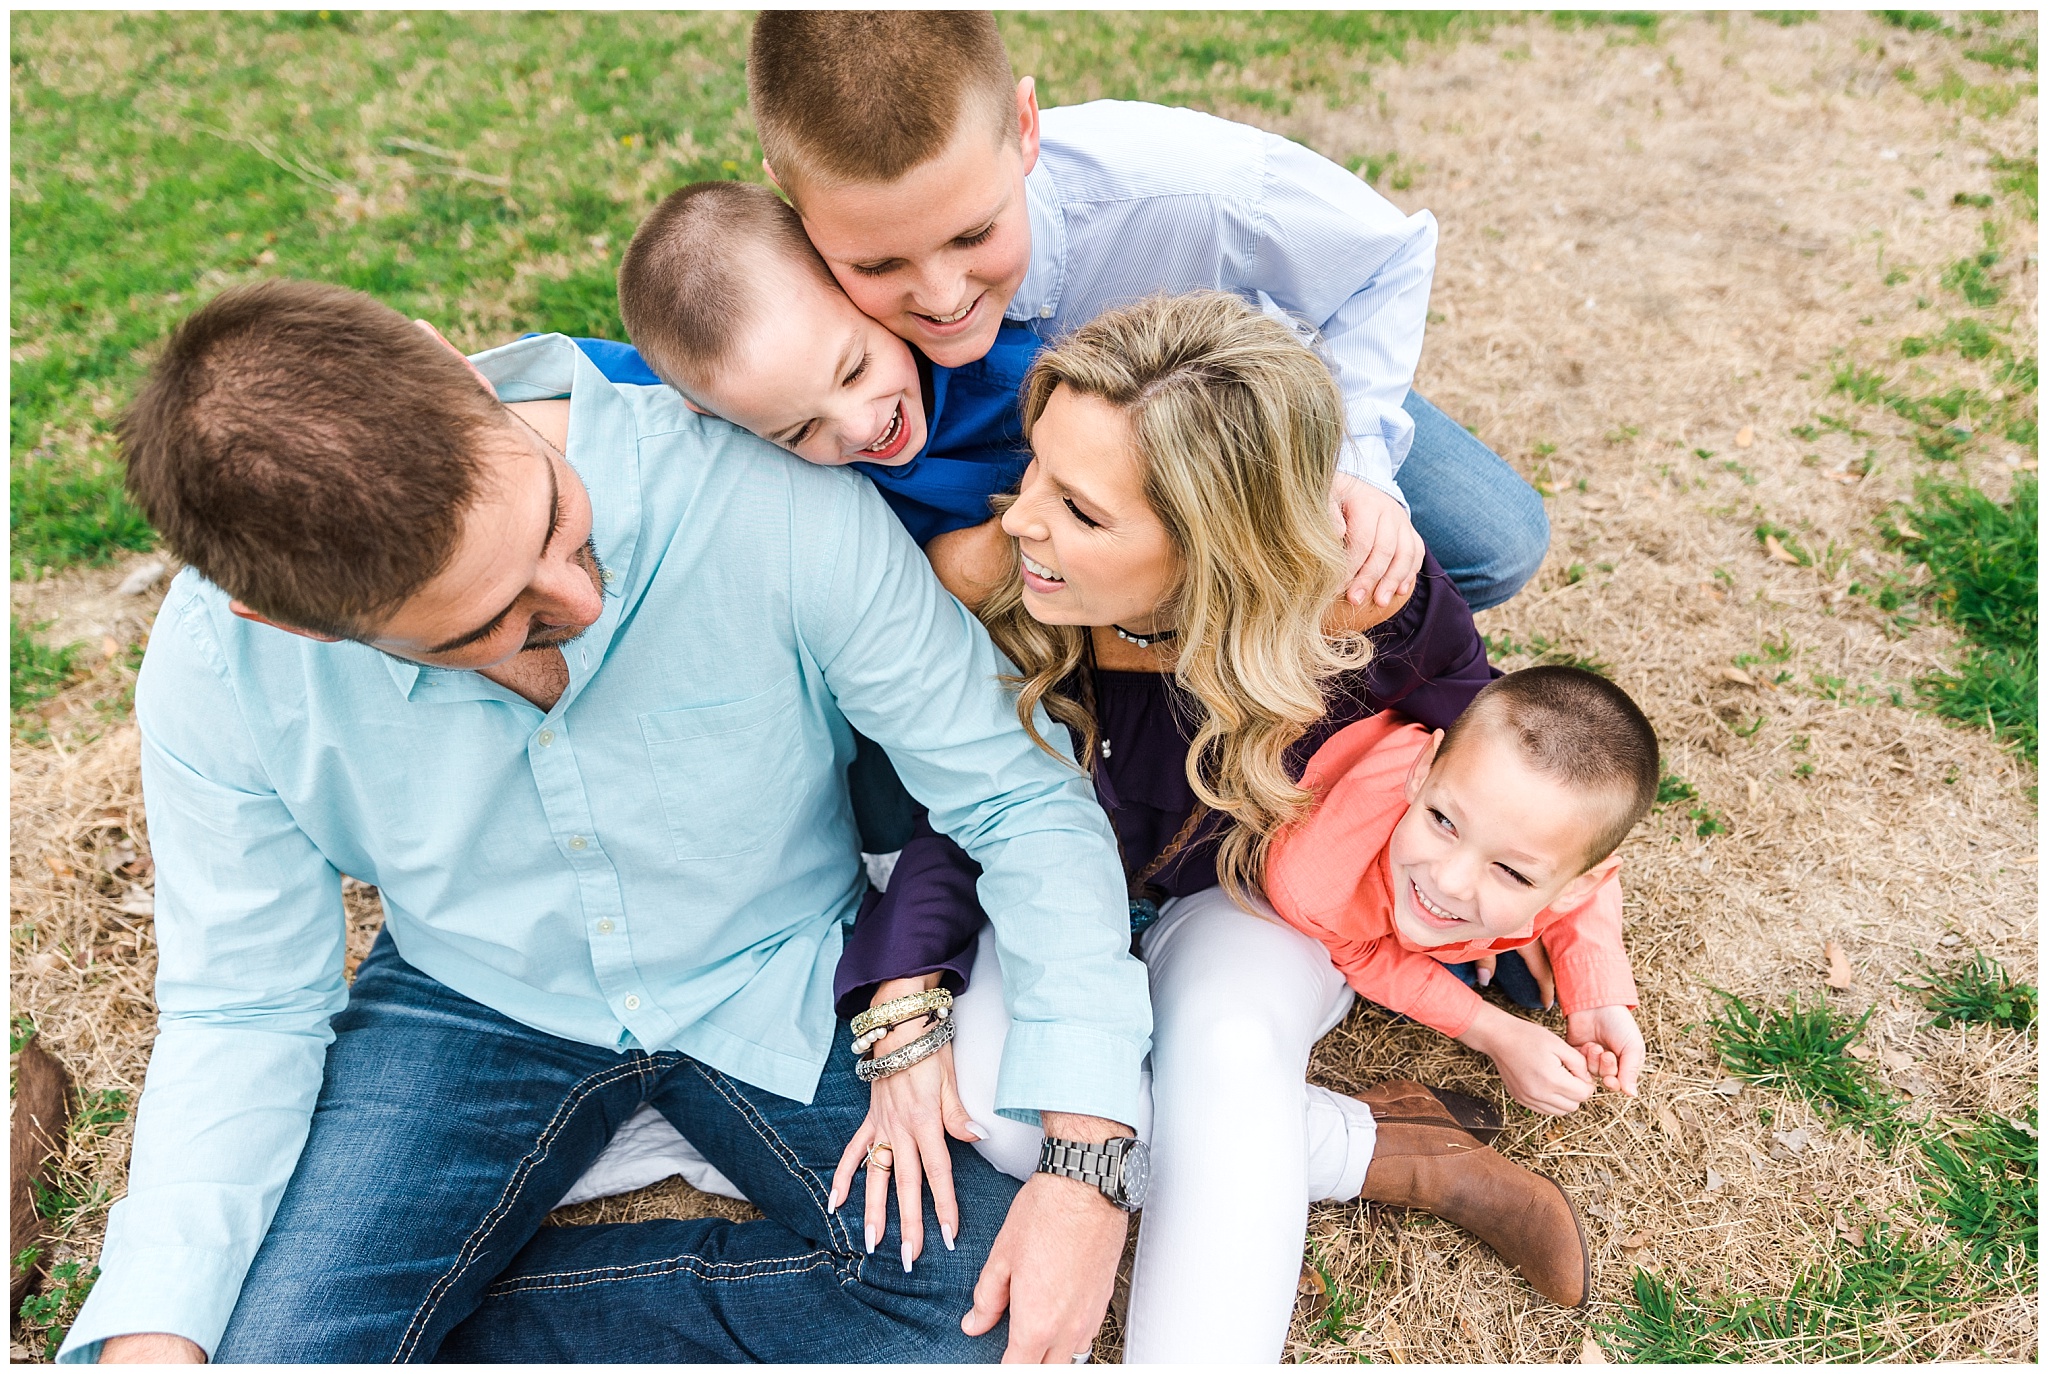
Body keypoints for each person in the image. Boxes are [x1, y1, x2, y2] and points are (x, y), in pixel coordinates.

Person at [59, 279, 1151, 1365]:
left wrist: (1087, 1154)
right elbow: (245, 1009)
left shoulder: (760, 492)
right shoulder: (219, 665)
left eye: (552, 517)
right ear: (293, 622)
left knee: (974, 1316)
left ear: (453, 364)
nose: (576, 604)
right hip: (472, 997)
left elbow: (1012, 793)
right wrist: (153, 1336)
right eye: (491, 624)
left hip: (776, 970)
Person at [832, 293, 1591, 1364]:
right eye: (1036, 471)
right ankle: (1374, 1147)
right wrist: (905, 987)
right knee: (1001, 1113)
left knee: (1226, 1045)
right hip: (1045, 898)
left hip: (1252, 894)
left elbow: (1489, 744)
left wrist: (1543, 929)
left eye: (1081, 511)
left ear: (1215, 549)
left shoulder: (1364, 605)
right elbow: (963, 809)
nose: (1020, 520)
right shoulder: (990, 580)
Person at [745, 10, 1551, 617]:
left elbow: (1385, 257)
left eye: (975, 233)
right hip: (1019, 506)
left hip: (1229, 414)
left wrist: (1358, 462)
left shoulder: (1188, 190)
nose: (945, 298)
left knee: (1492, 544)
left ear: (1023, 129)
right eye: (879, 266)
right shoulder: (789, 282)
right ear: (788, 190)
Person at [1265, 666, 1655, 1116]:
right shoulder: (1313, 884)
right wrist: (1492, 1031)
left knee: (1530, 989)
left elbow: (1586, 864)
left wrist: (1597, 994)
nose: (1449, 880)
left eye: (1511, 871)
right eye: (1443, 821)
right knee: (1486, 980)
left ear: (1575, 887)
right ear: (1422, 771)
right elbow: (1362, 954)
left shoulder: (1556, 843)